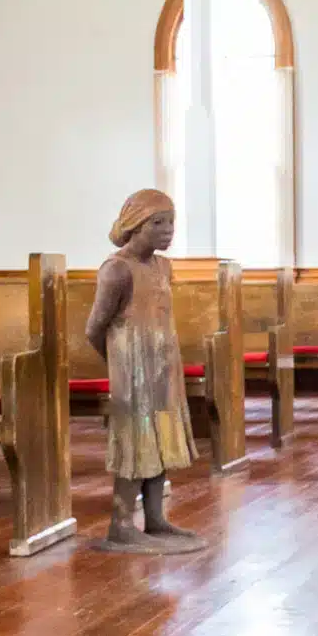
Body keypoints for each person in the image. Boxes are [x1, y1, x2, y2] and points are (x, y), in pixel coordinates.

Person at [85, 188, 206, 554]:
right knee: (134, 445)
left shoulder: (162, 266)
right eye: (158, 223)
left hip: (162, 369)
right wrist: (122, 366)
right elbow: (95, 328)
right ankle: (121, 525)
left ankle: (155, 519)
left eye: (171, 222)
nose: (168, 230)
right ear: (136, 225)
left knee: (161, 439)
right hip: (132, 373)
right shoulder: (116, 270)